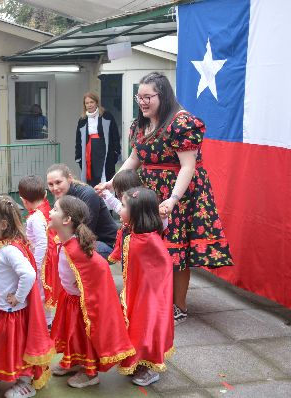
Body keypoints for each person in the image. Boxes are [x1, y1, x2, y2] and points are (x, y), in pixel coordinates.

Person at [96, 72, 233, 325]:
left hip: (179, 193)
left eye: (148, 97)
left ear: (163, 95)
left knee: (176, 251)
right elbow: (133, 161)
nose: (143, 102)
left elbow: (188, 167)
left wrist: (173, 199)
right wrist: (111, 182)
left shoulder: (183, 123)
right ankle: (153, 298)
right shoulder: (140, 125)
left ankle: (178, 306)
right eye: (140, 97)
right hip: (149, 192)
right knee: (146, 245)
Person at [0, 195, 54, 398]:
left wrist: (18, 296)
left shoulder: (9, 250)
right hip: (3, 310)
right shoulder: (6, 245)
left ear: (3, 225)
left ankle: (25, 382)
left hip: (12, 312)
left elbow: (29, 274)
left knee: (15, 348)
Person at [48, 196, 134, 388]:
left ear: (66, 220)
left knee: (85, 336)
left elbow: (97, 272)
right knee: (73, 335)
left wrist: (87, 302)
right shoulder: (64, 242)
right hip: (71, 299)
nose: (49, 212)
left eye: (54, 209)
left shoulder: (76, 249)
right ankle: (75, 361)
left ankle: (89, 373)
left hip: (84, 304)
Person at [108, 188, 174, 386]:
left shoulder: (149, 241)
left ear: (137, 211)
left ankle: (148, 368)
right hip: (137, 293)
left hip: (150, 297)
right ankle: (137, 362)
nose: (120, 209)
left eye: (124, 206)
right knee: (135, 327)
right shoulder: (135, 234)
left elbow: (161, 269)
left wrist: (149, 296)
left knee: (145, 329)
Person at [46, 163, 118, 259]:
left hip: (107, 244)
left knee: (66, 250)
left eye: (58, 182)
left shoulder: (87, 194)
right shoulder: (61, 194)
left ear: (69, 178)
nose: (55, 188)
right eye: (50, 184)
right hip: (83, 239)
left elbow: (86, 232)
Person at [18, 175, 59, 321]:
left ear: (23, 200)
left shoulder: (35, 218)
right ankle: (46, 320)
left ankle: (45, 322)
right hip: (50, 256)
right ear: (45, 194)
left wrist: (35, 265)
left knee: (41, 291)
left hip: (42, 261)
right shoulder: (47, 207)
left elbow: (42, 243)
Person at [75, 92, 121, 187]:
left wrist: (116, 151)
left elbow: (115, 134)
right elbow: (78, 140)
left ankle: (107, 199)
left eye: (91, 102)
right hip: (89, 153)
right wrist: (78, 157)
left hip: (104, 151)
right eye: (87, 103)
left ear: (96, 102)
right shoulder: (82, 120)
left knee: (106, 176)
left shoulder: (107, 116)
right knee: (91, 178)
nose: (89, 105)